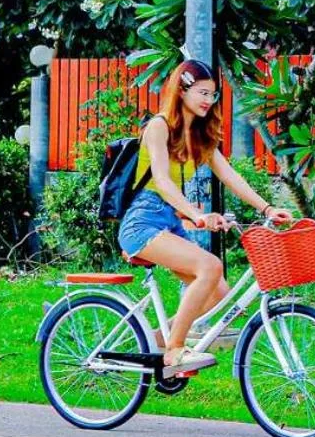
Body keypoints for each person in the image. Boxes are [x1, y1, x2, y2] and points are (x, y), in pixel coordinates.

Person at [117, 59, 293, 375]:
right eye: (201, 92)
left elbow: (230, 176)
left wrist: (266, 208)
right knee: (209, 266)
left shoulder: (199, 134)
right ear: (181, 90)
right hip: (142, 222)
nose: (207, 101)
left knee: (219, 296)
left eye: (212, 95)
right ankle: (174, 351)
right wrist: (197, 214)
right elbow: (163, 180)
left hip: (169, 221)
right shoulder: (158, 126)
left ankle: (155, 341)